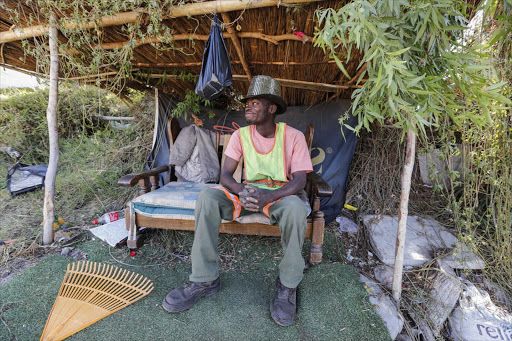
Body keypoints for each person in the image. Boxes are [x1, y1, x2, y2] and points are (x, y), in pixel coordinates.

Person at [162, 75, 313, 326]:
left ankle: (287, 286)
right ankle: (204, 279)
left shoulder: (293, 136)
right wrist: (242, 191)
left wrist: (270, 195)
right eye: (248, 102)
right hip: (247, 192)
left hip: (278, 195)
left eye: (255, 103)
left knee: (297, 209)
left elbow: (299, 181)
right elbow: (225, 176)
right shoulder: (240, 135)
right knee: (208, 196)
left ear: (272, 108)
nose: (248, 106)